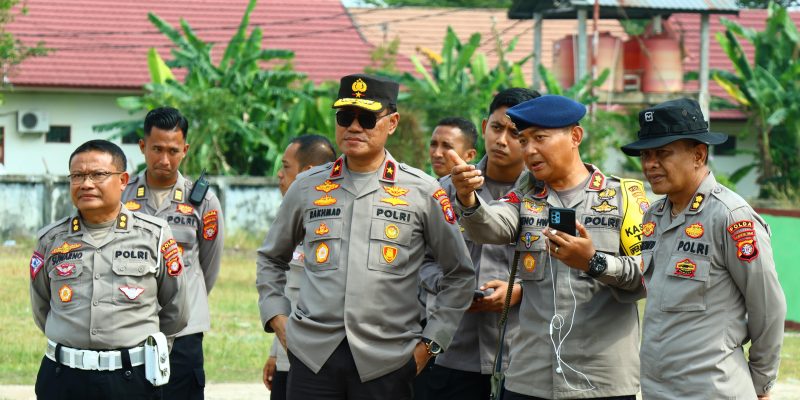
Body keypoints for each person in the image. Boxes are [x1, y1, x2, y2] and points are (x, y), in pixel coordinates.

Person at [256, 73, 475, 400]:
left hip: (388, 362)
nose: (354, 127)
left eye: (367, 118)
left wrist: (429, 345)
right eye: (345, 117)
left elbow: (459, 275)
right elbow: (271, 258)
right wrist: (278, 320)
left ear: (392, 122)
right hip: (313, 359)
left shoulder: (422, 191)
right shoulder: (307, 187)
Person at [449, 94, 647, 399]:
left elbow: (647, 275)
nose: (529, 150)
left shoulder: (623, 196)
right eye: (524, 140)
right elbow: (490, 226)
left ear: (575, 137)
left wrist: (593, 262)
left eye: (540, 138)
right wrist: (467, 198)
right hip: (530, 377)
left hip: (600, 379)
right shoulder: (526, 194)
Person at [621, 98, 787, 400]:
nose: (650, 164)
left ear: (698, 155)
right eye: (645, 155)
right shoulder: (653, 216)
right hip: (657, 389)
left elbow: (768, 306)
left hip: (712, 390)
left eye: (662, 153)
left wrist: (761, 384)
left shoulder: (730, 216)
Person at [30, 139, 188, 400]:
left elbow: (177, 308)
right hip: (62, 378)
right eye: (77, 176)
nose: (86, 184)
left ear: (123, 180)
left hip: (132, 380)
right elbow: (41, 307)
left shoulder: (153, 235)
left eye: (98, 174)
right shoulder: (51, 240)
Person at [417, 88, 539, 400]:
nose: (502, 140)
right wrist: (453, 288)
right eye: (497, 128)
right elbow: (421, 261)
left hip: (523, 353)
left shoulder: (546, 196)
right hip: (451, 350)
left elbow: (563, 268)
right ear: (484, 126)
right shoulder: (444, 192)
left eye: (516, 133)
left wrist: (520, 290)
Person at [121, 107, 224, 400]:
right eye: (156, 149)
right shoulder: (121, 196)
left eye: (173, 150)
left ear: (185, 150)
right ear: (142, 146)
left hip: (185, 331)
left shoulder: (202, 201)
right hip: (130, 324)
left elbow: (208, 266)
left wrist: (182, 299)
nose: (164, 159)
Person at [262, 134, 337, 400]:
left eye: (286, 166)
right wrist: (275, 353)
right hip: (288, 353)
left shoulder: (330, 221)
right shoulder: (290, 216)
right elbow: (288, 294)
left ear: (309, 173)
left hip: (320, 358)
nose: (280, 175)